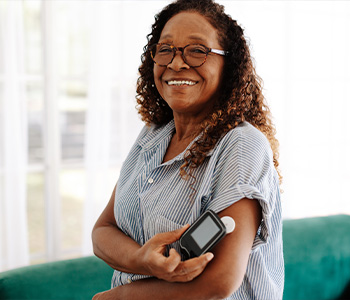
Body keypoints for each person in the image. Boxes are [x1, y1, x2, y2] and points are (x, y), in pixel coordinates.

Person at [92, 0, 284, 299]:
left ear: (228, 65)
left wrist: (115, 297)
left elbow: (219, 282)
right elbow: (103, 230)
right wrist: (142, 259)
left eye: (197, 51)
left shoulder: (242, 146)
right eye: (165, 49)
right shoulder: (152, 136)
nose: (176, 63)